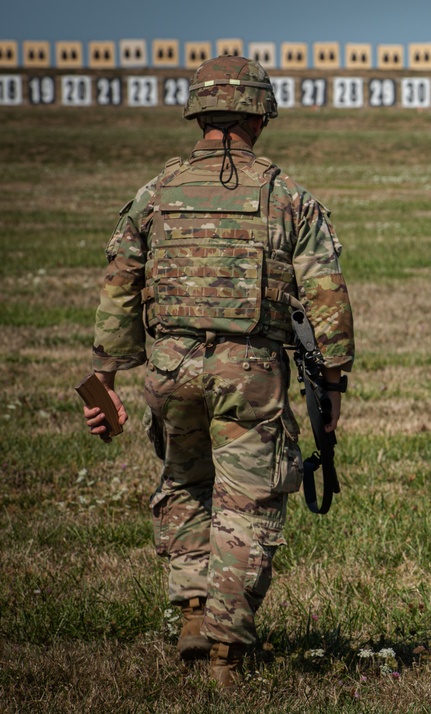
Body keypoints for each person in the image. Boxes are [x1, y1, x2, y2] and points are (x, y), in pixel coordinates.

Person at [82, 56, 354, 688]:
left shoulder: (155, 193)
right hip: (250, 369)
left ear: (200, 112)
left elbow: (119, 286)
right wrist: (333, 384)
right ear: (259, 114)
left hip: (170, 366)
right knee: (248, 501)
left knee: (184, 481)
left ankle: (194, 613)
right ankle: (226, 653)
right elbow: (327, 297)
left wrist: (104, 382)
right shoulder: (288, 197)